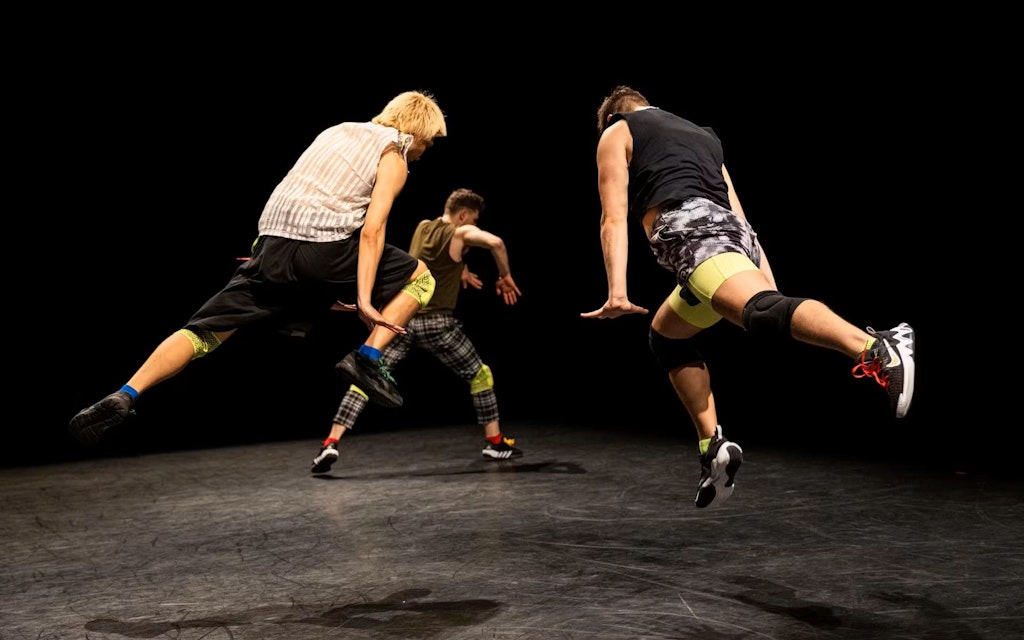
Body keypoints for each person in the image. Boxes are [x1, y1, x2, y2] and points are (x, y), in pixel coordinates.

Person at [582, 86, 916, 508]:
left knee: (761, 313)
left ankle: (876, 346)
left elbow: (611, 217)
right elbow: (739, 215)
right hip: (722, 235)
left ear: (613, 116)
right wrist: (764, 273)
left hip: (691, 232)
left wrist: (617, 291)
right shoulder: (702, 134)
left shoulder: (617, 130)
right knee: (667, 336)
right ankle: (713, 446)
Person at [69, 90, 448, 446]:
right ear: (416, 131)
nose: (424, 152)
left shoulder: (336, 132)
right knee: (421, 277)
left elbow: (292, 192)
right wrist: (364, 301)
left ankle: (127, 393)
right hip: (324, 250)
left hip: (270, 248)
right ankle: (367, 358)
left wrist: (301, 277)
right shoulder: (393, 154)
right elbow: (373, 229)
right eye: (428, 143)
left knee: (204, 333)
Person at [311, 188, 524, 473]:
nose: (473, 225)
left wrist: (459, 267)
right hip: (438, 325)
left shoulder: (423, 228)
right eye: (473, 220)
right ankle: (495, 442)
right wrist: (504, 276)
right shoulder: (461, 234)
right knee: (479, 373)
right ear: (463, 215)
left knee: (364, 374)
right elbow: (495, 242)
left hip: (403, 322)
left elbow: (422, 263)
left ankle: (330, 443)